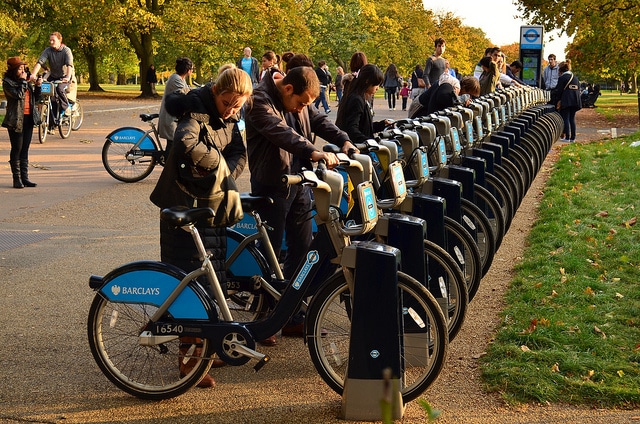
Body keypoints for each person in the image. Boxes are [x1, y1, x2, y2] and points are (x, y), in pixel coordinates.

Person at [150, 64, 252, 388]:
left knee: (212, 276)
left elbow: (239, 150)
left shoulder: (229, 115)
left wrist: (226, 175)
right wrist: (218, 165)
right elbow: (184, 144)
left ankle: (207, 349)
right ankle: (189, 359)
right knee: (190, 279)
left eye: (238, 105)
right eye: (227, 103)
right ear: (215, 93)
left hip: (210, 200)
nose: (232, 110)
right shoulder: (194, 109)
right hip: (185, 202)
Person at [245, 66, 356, 338]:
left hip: (300, 181)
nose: (301, 109)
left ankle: (292, 313)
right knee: (271, 252)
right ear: (288, 88)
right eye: (300, 103)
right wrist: (314, 152)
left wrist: (344, 141)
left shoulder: (300, 100)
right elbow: (280, 132)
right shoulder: (259, 100)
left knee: (304, 250)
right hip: (274, 183)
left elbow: (318, 120)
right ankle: (268, 317)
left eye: (305, 105)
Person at [3, 57, 42, 188]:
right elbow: (18, 95)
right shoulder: (8, 82)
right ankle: (16, 179)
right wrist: (22, 81)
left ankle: (25, 178)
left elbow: (35, 100)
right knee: (17, 148)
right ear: (14, 70)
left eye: (23, 68)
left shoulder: (25, 82)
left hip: (28, 118)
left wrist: (38, 87)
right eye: (20, 68)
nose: (23, 70)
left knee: (25, 148)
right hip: (15, 119)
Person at [335, 64, 391, 143]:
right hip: (357, 148)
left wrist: (382, 124)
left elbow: (364, 126)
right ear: (367, 81)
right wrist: (369, 141)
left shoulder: (360, 97)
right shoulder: (356, 100)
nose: (377, 88)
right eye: (376, 84)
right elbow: (351, 129)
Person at [29, 31, 74, 115]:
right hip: (53, 76)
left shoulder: (66, 50)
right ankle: (51, 121)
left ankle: (66, 107)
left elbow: (69, 65)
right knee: (47, 91)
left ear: (60, 40)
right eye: (50, 40)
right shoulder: (48, 50)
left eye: (53, 40)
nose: (51, 42)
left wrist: (67, 77)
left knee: (59, 89)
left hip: (64, 76)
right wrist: (33, 74)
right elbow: (40, 62)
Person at [158, 57, 194, 153]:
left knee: (173, 143)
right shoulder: (175, 79)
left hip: (174, 116)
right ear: (188, 70)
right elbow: (186, 93)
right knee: (172, 144)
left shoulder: (180, 78)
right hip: (170, 117)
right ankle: (168, 166)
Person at [551, 60, 582, 142]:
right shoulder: (575, 78)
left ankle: (567, 137)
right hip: (575, 100)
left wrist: (556, 100)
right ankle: (573, 137)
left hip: (566, 100)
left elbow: (559, 90)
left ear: (561, 70)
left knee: (566, 118)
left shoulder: (562, 78)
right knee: (572, 118)